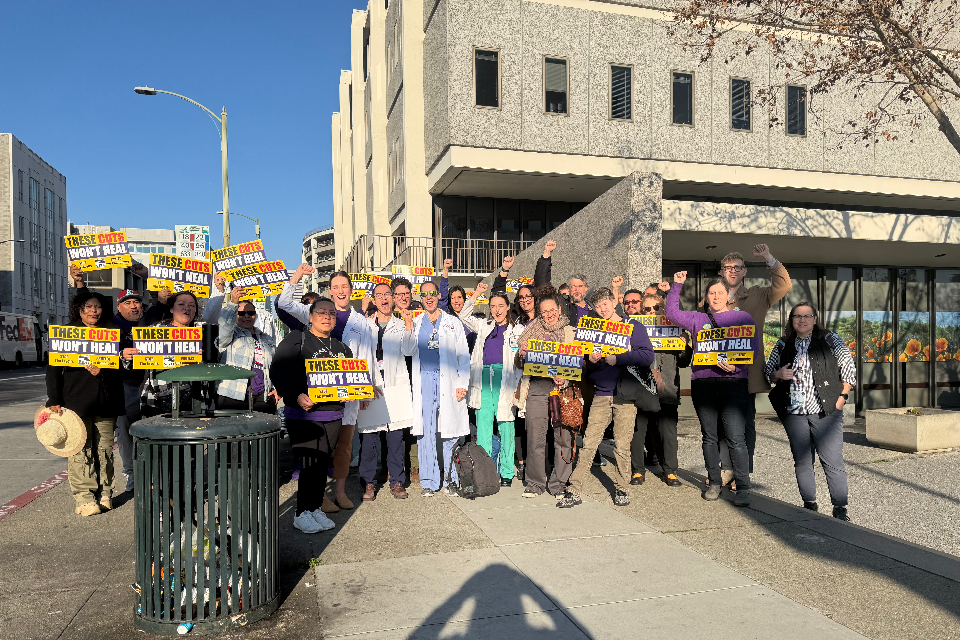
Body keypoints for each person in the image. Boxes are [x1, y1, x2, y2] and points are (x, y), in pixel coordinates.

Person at [278, 268, 378, 512]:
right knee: (319, 450)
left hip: (347, 395)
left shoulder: (361, 322)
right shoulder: (317, 312)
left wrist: (367, 388)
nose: (340, 291)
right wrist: (297, 276)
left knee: (343, 446)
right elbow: (283, 302)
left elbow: (367, 355)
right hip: (318, 399)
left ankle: (341, 492)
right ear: (330, 290)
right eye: (336, 287)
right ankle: (318, 496)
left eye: (345, 287)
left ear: (350, 290)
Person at [666, 271, 761, 506]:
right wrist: (677, 285)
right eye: (711, 293)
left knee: (736, 438)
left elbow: (754, 349)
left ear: (727, 295)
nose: (716, 296)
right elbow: (672, 313)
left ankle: (744, 488)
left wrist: (736, 364)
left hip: (734, 384)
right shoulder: (698, 320)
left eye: (720, 292)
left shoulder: (743, 318)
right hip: (703, 383)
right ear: (706, 297)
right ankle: (714, 482)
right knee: (709, 437)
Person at [558, 287, 655, 508]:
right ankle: (574, 489)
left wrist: (618, 358)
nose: (603, 309)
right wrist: (591, 360)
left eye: (606, 304)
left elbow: (647, 355)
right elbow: (585, 363)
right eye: (598, 306)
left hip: (625, 395)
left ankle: (622, 488)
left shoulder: (632, 326)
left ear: (614, 302)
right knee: (589, 443)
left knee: (622, 445)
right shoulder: (592, 330)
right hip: (601, 394)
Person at [270, 297, 355, 533]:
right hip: (304, 415)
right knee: (309, 464)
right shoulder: (297, 338)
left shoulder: (341, 348)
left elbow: (347, 381)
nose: (326, 317)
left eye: (331, 314)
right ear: (310, 316)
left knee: (321, 465)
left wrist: (348, 393)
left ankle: (315, 507)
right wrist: (295, 394)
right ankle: (301, 513)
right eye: (321, 312)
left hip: (333, 415)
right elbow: (278, 370)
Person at [766, 302, 855, 521]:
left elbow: (849, 370)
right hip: (794, 412)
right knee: (802, 460)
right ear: (791, 320)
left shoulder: (830, 340)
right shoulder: (783, 343)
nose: (802, 320)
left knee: (831, 460)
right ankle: (809, 504)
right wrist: (779, 374)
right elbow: (769, 372)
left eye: (807, 316)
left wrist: (842, 398)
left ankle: (840, 508)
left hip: (826, 410)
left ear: (815, 319)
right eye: (797, 316)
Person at [45, 288, 125, 516]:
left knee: (105, 450)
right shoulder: (67, 333)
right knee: (81, 450)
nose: (94, 311)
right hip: (76, 400)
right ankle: (84, 497)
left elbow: (123, 368)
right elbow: (53, 370)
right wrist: (54, 399)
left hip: (107, 401)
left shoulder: (112, 333)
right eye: (88, 307)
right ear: (79, 310)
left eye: (97, 306)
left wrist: (105, 370)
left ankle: (105, 493)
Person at [717, 244, 792, 482]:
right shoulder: (712, 297)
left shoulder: (758, 296)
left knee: (745, 424)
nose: (732, 271)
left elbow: (784, 286)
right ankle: (724, 469)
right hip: (715, 371)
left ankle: (742, 474)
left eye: (737, 267)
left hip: (745, 373)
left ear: (744, 271)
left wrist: (769, 258)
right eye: (728, 267)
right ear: (721, 272)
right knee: (720, 423)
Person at [69, 264, 143, 495]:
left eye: (137, 302)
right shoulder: (111, 324)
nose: (133, 305)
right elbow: (89, 308)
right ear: (118, 307)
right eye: (127, 302)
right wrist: (80, 283)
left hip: (150, 388)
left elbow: (165, 302)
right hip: (125, 387)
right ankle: (132, 478)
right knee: (125, 436)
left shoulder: (150, 321)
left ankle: (152, 477)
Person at [400, 280, 470, 496]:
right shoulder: (416, 321)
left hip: (449, 381)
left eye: (432, 293)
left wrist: (462, 384)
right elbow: (408, 350)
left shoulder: (452, 322)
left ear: (439, 296)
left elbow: (463, 355)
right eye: (424, 294)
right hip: (425, 381)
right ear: (420, 298)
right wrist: (409, 326)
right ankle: (429, 482)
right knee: (426, 432)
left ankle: (451, 479)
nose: (429, 297)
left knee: (450, 432)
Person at [515, 288, 578, 498]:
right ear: (539, 313)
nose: (549, 315)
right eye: (544, 312)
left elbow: (578, 364)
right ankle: (534, 483)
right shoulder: (531, 330)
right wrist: (521, 354)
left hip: (563, 389)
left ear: (559, 309)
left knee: (563, 438)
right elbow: (518, 363)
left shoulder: (570, 332)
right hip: (537, 387)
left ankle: (559, 483)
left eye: (552, 310)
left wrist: (566, 378)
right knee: (535, 437)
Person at [460, 283, 525, 486]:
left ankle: (506, 472)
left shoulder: (519, 329)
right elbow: (463, 315)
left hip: (506, 381)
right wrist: (477, 292)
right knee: (484, 429)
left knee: (506, 427)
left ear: (507, 307)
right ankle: (485, 472)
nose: (496, 310)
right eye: (493, 306)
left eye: (500, 306)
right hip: (483, 381)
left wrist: (519, 388)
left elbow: (522, 361)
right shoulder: (483, 326)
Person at [631, 291, 691, 487]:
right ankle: (637, 471)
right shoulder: (635, 330)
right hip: (640, 387)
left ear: (663, 309)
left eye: (656, 308)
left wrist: (684, 345)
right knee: (638, 432)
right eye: (647, 309)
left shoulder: (675, 330)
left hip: (666, 388)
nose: (651, 312)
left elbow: (683, 362)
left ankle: (670, 471)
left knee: (668, 433)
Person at [358, 282, 411, 500]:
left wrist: (408, 325)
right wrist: (363, 386)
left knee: (395, 438)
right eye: (379, 295)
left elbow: (409, 350)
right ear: (373, 300)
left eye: (387, 294)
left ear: (393, 298)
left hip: (395, 386)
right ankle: (368, 483)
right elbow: (360, 357)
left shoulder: (401, 325)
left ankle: (397, 481)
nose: (384, 298)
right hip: (372, 387)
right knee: (369, 438)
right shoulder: (365, 325)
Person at [139, 291, 210, 416]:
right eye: (181, 304)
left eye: (192, 305)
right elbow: (138, 357)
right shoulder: (155, 330)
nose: (187, 308)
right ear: (171, 309)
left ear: (196, 312)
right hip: (159, 397)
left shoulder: (204, 332)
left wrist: (206, 357)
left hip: (196, 398)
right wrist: (125, 355)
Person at [216, 286, 280, 412]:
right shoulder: (230, 335)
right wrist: (233, 303)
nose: (246, 316)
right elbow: (224, 327)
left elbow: (277, 365)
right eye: (241, 313)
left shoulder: (267, 338)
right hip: (232, 395)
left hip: (263, 396)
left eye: (250, 313)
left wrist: (279, 388)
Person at [535, 240, 592, 325]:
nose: (577, 289)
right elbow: (542, 284)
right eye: (573, 286)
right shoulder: (561, 303)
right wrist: (547, 254)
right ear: (569, 289)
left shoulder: (594, 307)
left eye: (580, 286)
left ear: (586, 288)